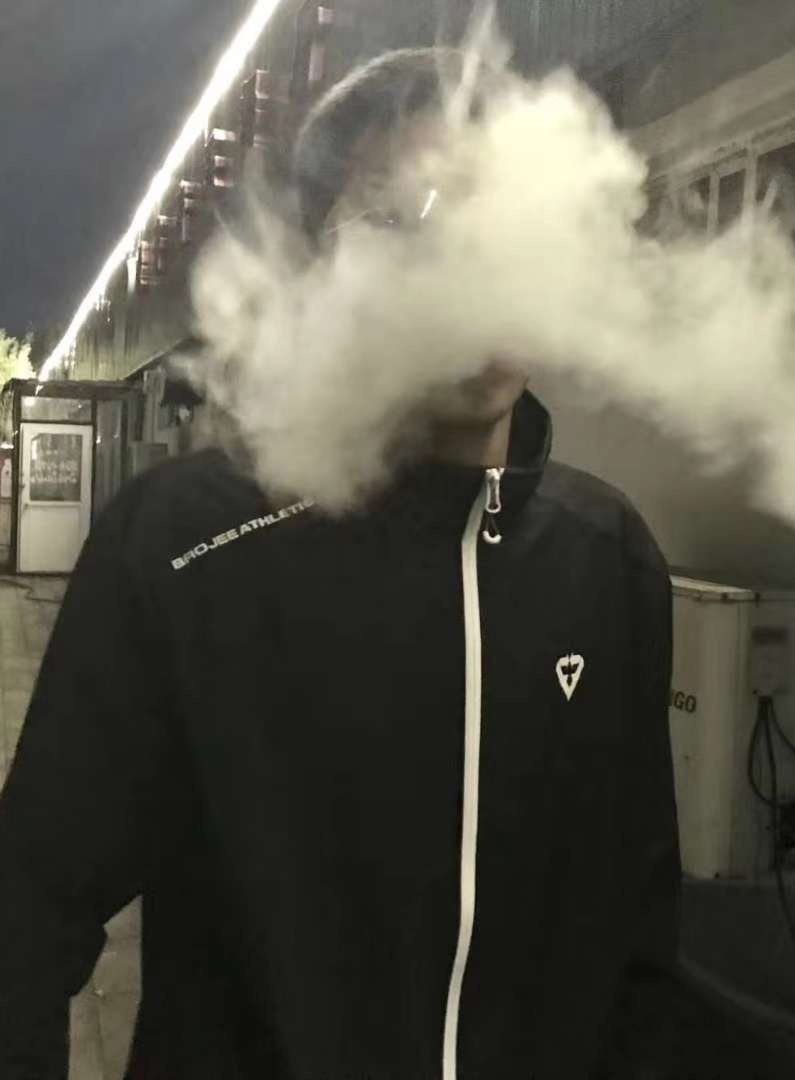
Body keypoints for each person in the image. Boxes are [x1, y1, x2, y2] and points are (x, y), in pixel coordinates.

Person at [0, 48, 681, 1080]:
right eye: (407, 224)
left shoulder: (606, 557)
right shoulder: (186, 542)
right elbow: (28, 909)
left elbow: (639, 938)